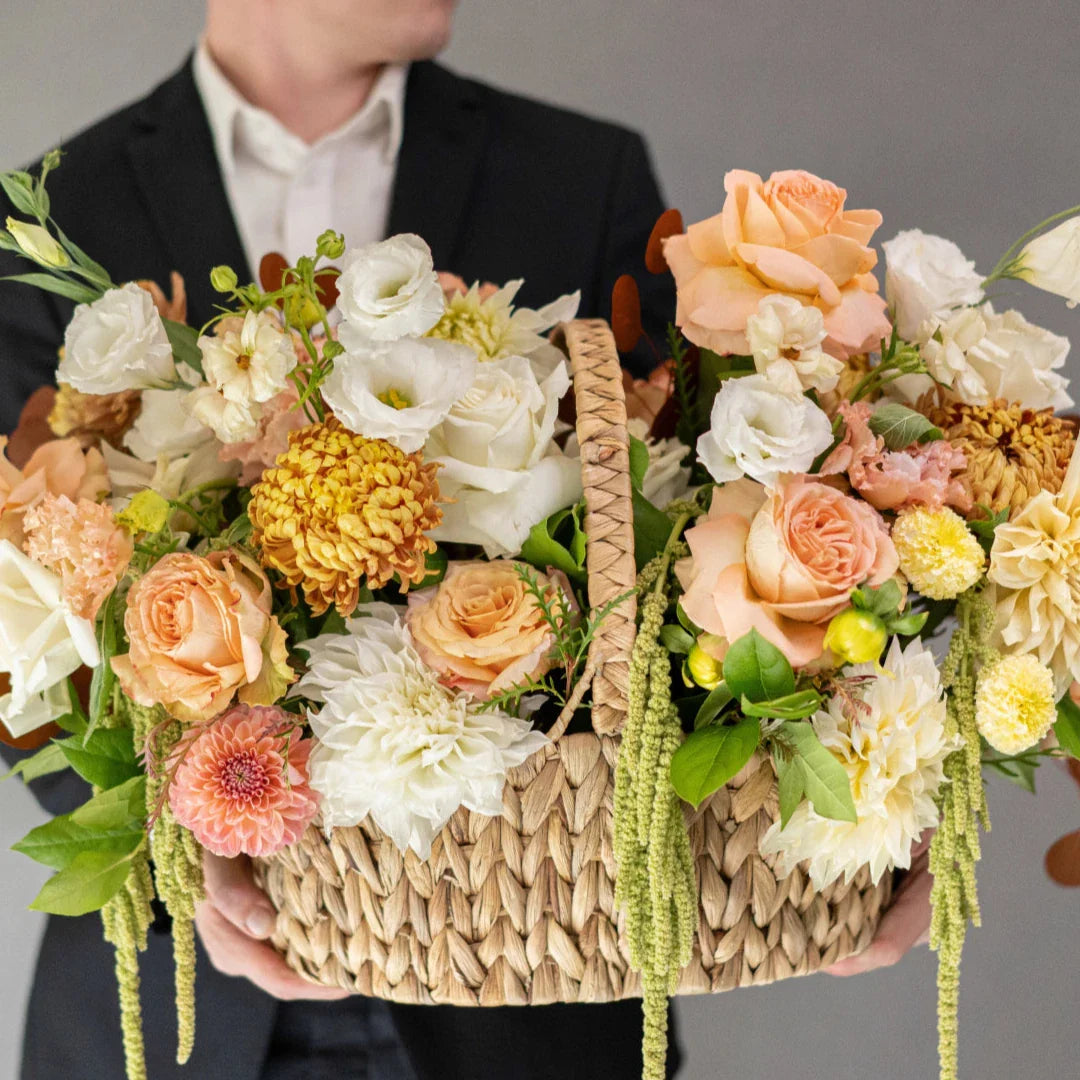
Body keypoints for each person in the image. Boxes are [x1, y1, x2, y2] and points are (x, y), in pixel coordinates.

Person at [0, 2, 932, 1077]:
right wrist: (181, 854)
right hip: (180, 1016)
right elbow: (21, 625)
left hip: (536, 982)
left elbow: (712, 522)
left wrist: (866, 801)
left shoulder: (579, 170)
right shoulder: (63, 213)